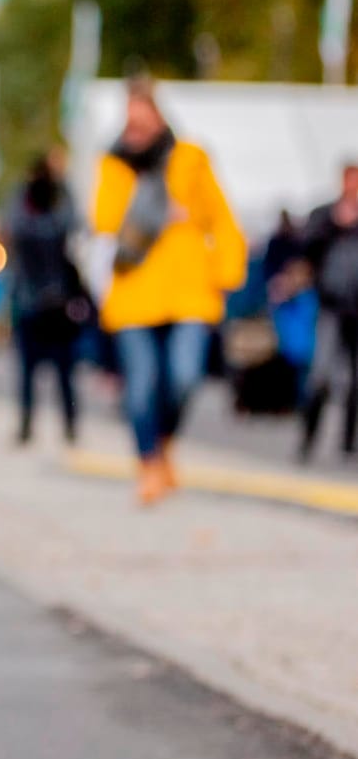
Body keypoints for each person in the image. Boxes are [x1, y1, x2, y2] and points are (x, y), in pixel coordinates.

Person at [90, 80, 246, 504]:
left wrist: (225, 273)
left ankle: (163, 442)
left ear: (159, 119)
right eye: (130, 124)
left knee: (185, 377)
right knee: (140, 386)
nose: (136, 131)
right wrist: (157, 212)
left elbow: (223, 219)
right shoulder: (115, 165)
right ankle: (149, 465)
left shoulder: (191, 159)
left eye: (143, 121)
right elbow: (104, 220)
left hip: (189, 289)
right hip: (135, 293)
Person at [2, 152, 85, 445]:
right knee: (57, 373)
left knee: (36, 373)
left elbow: (14, 222)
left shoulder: (27, 216)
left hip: (37, 304)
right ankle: (63, 425)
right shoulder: (50, 219)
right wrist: (61, 185)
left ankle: (35, 425)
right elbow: (71, 221)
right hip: (46, 303)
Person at [297, 165, 358, 460]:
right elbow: (306, 249)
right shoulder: (324, 215)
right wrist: (336, 224)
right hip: (331, 307)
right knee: (320, 374)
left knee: (355, 382)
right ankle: (307, 440)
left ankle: (348, 444)